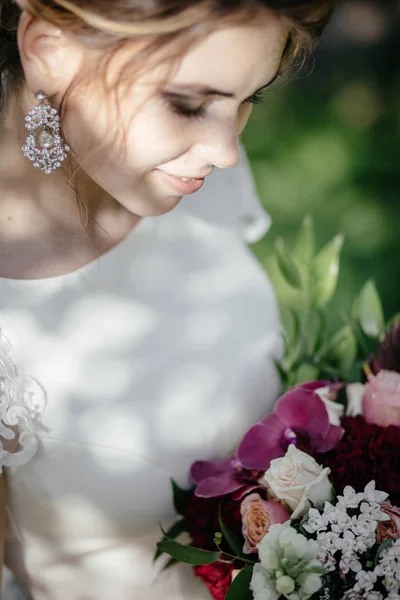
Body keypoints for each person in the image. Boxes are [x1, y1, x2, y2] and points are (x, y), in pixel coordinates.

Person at [0, 0, 333, 598]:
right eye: (187, 103)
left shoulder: (178, 167)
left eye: (248, 99)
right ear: (49, 51)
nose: (227, 151)